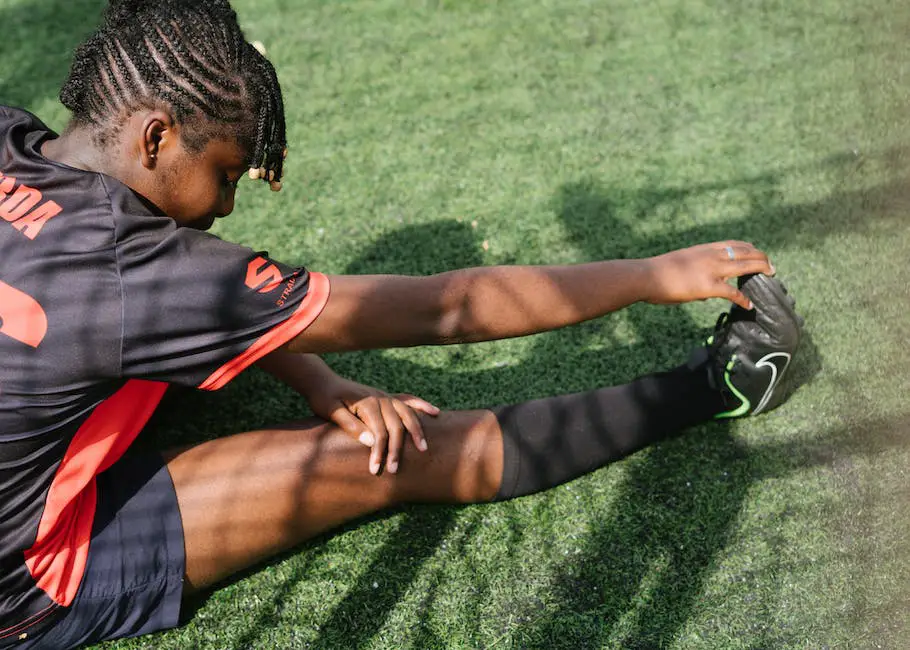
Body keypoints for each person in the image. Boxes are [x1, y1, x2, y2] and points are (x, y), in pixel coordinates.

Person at [0, 1, 804, 648]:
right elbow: (444, 307)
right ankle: (721, 385)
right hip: (28, 579)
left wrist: (317, 373)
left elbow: (178, 300)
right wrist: (650, 276)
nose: (226, 206)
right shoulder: (144, 273)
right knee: (391, 453)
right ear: (155, 136)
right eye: (224, 175)